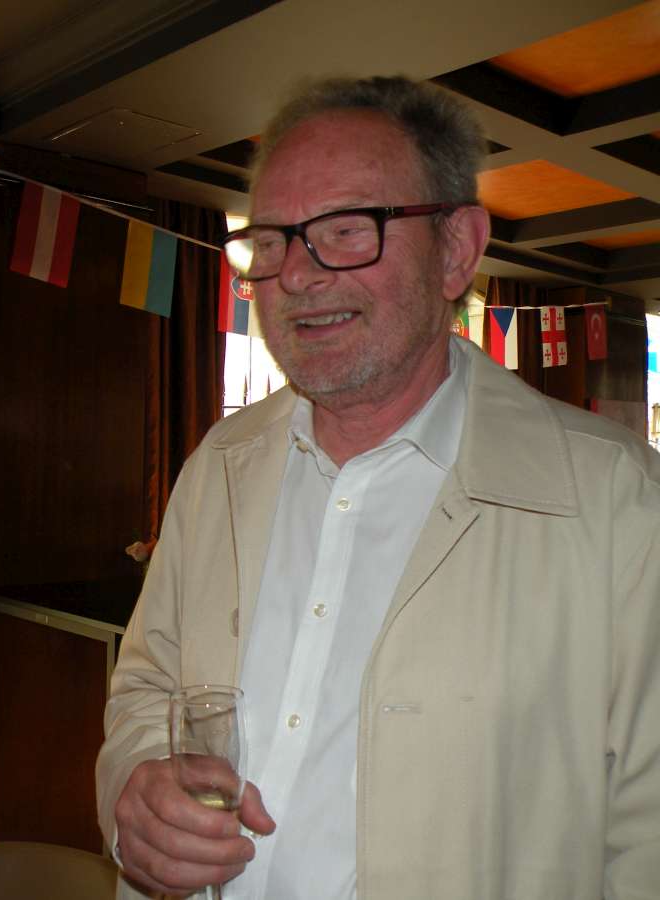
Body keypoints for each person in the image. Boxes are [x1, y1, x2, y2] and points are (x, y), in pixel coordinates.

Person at [96, 76, 660, 900]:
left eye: (347, 230)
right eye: (274, 240)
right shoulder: (218, 463)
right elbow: (147, 687)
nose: (297, 275)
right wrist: (135, 789)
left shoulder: (620, 501)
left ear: (457, 249)